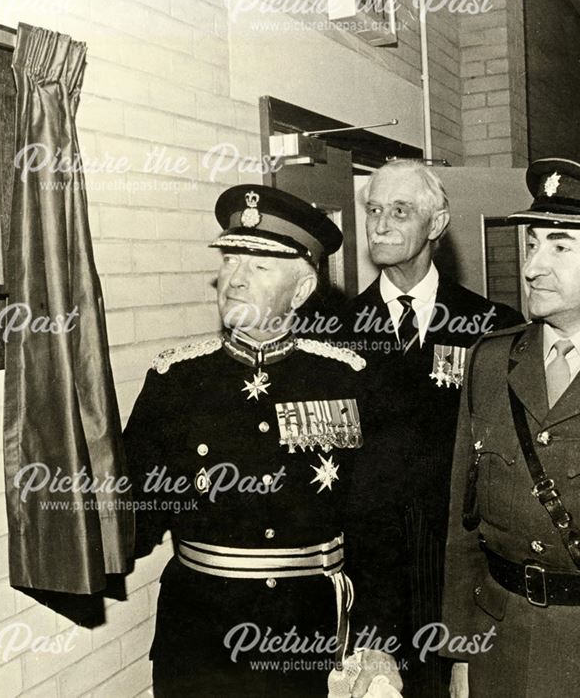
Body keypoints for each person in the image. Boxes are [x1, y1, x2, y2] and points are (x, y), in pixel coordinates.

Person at [125, 184, 403, 696]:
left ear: (299, 291)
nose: (235, 279)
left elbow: (381, 527)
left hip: (309, 635)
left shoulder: (347, 380)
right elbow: (134, 511)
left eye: (259, 266)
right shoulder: (175, 381)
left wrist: (377, 642)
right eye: (231, 259)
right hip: (200, 638)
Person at [443, 157, 580, 696]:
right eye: (533, 243)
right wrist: (461, 651)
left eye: (560, 246)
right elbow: (463, 527)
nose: (533, 265)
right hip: (499, 649)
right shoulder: (490, 361)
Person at [327, 159, 522, 696]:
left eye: (400, 211)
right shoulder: (332, 331)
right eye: (373, 210)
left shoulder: (491, 326)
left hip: (461, 573)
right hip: (369, 576)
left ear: (436, 225)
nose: (380, 224)